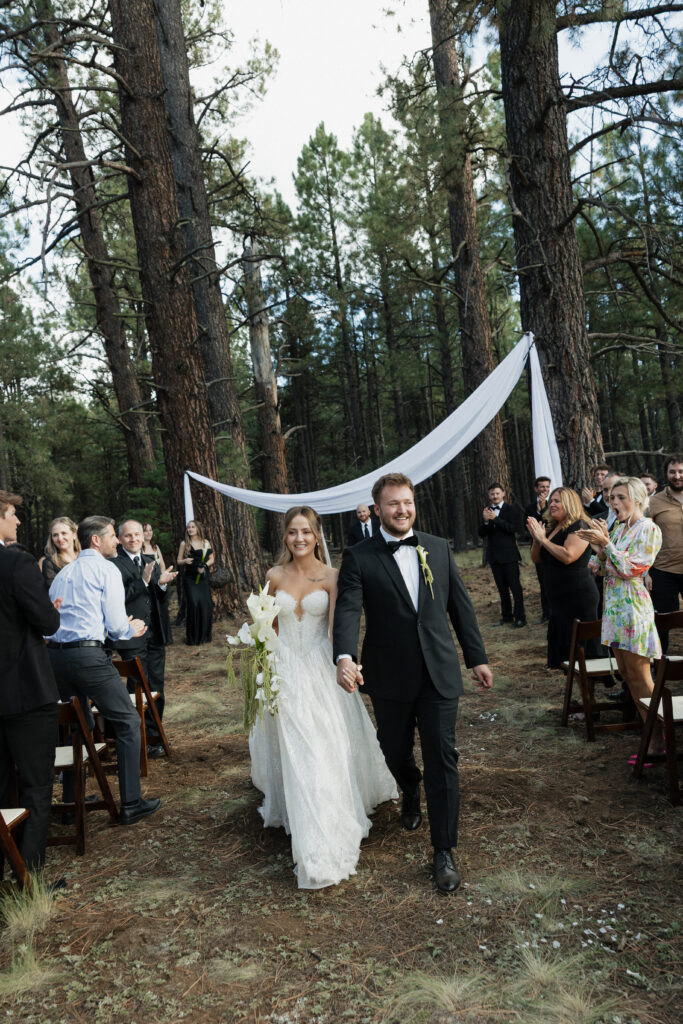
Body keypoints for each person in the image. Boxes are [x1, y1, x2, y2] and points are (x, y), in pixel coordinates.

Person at [333, 473, 493, 894]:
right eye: (392, 504)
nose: (401, 510)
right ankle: (408, 785)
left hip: (439, 673)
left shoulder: (437, 548)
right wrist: (345, 656)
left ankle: (443, 850)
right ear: (377, 507)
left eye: (407, 502)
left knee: (443, 758)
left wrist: (476, 658)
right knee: (393, 751)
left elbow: (460, 605)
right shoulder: (359, 556)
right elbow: (348, 609)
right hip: (389, 676)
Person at [249, 506, 397, 889]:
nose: (299, 539)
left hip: (318, 666)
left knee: (324, 743)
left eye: (306, 532)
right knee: (297, 744)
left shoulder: (332, 576)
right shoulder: (273, 575)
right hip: (284, 668)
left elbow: (338, 629)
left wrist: (344, 665)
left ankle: (329, 822)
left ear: (317, 536)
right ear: (284, 536)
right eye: (292, 532)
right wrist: (262, 666)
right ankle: (305, 824)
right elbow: (268, 626)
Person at [47, 516, 161, 825]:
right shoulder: (106, 569)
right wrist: (130, 629)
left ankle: (71, 804)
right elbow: (115, 624)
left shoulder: (63, 574)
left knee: (76, 724)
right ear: (95, 540)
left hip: (55, 659)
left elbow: (50, 621)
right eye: (112, 536)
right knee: (127, 720)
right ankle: (131, 803)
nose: (117, 541)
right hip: (88, 658)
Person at [579, 478, 664, 756]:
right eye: (612, 497)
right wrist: (600, 547)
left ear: (638, 499)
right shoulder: (617, 528)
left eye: (621, 497)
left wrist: (607, 545)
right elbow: (597, 567)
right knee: (626, 674)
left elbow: (632, 569)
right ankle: (648, 730)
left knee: (640, 676)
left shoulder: (648, 528)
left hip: (633, 610)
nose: (614, 503)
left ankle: (659, 739)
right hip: (614, 609)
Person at [0, 490, 61, 877]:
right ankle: (30, 880)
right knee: (37, 787)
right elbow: (48, 623)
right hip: (25, 690)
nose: (18, 521)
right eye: (12, 514)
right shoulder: (16, 564)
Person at [109, 520, 177, 757]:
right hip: (132, 636)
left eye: (137, 534)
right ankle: (138, 741)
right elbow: (120, 599)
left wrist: (160, 585)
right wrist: (144, 582)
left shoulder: (150, 561)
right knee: (139, 687)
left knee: (156, 686)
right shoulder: (114, 565)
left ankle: (156, 736)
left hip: (155, 634)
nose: (134, 539)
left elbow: (157, 600)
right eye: (128, 536)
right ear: (119, 539)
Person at [527, 488, 600, 669]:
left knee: (582, 647)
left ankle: (589, 688)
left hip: (577, 595)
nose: (551, 504)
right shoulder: (552, 527)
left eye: (557, 501)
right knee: (565, 648)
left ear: (569, 503)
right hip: (558, 597)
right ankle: (575, 685)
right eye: (551, 501)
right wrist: (537, 540)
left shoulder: (580, 525)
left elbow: (568, 556)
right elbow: (537, 559)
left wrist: (544, 541)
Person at [646, 455, 683, 654]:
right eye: (672, 472)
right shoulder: (653, 502)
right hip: (663, 571)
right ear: (666, 474)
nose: (677, 476)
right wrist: (647, 572)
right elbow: (644, 539)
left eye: (681, 471)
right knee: (663, 623)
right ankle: (660, 668)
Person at [478, 483, 526, 627]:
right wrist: (486, 521)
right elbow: (481, 534)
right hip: (494, 556)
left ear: (503, 493)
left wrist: (496, 519)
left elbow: (514, 529)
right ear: (489, 496)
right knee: (502, 589)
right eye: (492, 494)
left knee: (515, 588)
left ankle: (520, 617)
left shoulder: (512, 509)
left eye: (497, 493)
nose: (495, 496)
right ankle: (506, 616)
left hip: (509, 555)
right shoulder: (487, 511)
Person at [177, 520, 213, 645]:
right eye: (188, 527)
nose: (190, 529)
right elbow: (178, 561)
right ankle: (193, 637)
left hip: (202, 578)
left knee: (205, 605)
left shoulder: (205, 542)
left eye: (193, 527)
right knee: (193, 604)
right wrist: (185, 560)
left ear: (198, 528)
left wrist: (205, 566)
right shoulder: (184, 543)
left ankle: (204, 636)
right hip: (190, 579)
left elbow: (212, 558)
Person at [524, 476, 551, 623]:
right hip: (538, 549)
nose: (544, 490)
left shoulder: (554, 504)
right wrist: (539, 512)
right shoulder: (529, 507)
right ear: (536, 489)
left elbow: (551, 524)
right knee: (542, 582)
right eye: (542, 487)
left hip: (552, 547)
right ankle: (545, 613)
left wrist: (545, 509)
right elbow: (527, 526)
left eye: (547, 487)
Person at [39, 516, 80, 584]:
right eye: (55, 535)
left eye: (64, 533)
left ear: (74, 535)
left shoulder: (86, 556)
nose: (60, 539)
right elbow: (54, 591)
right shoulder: (50, 563)